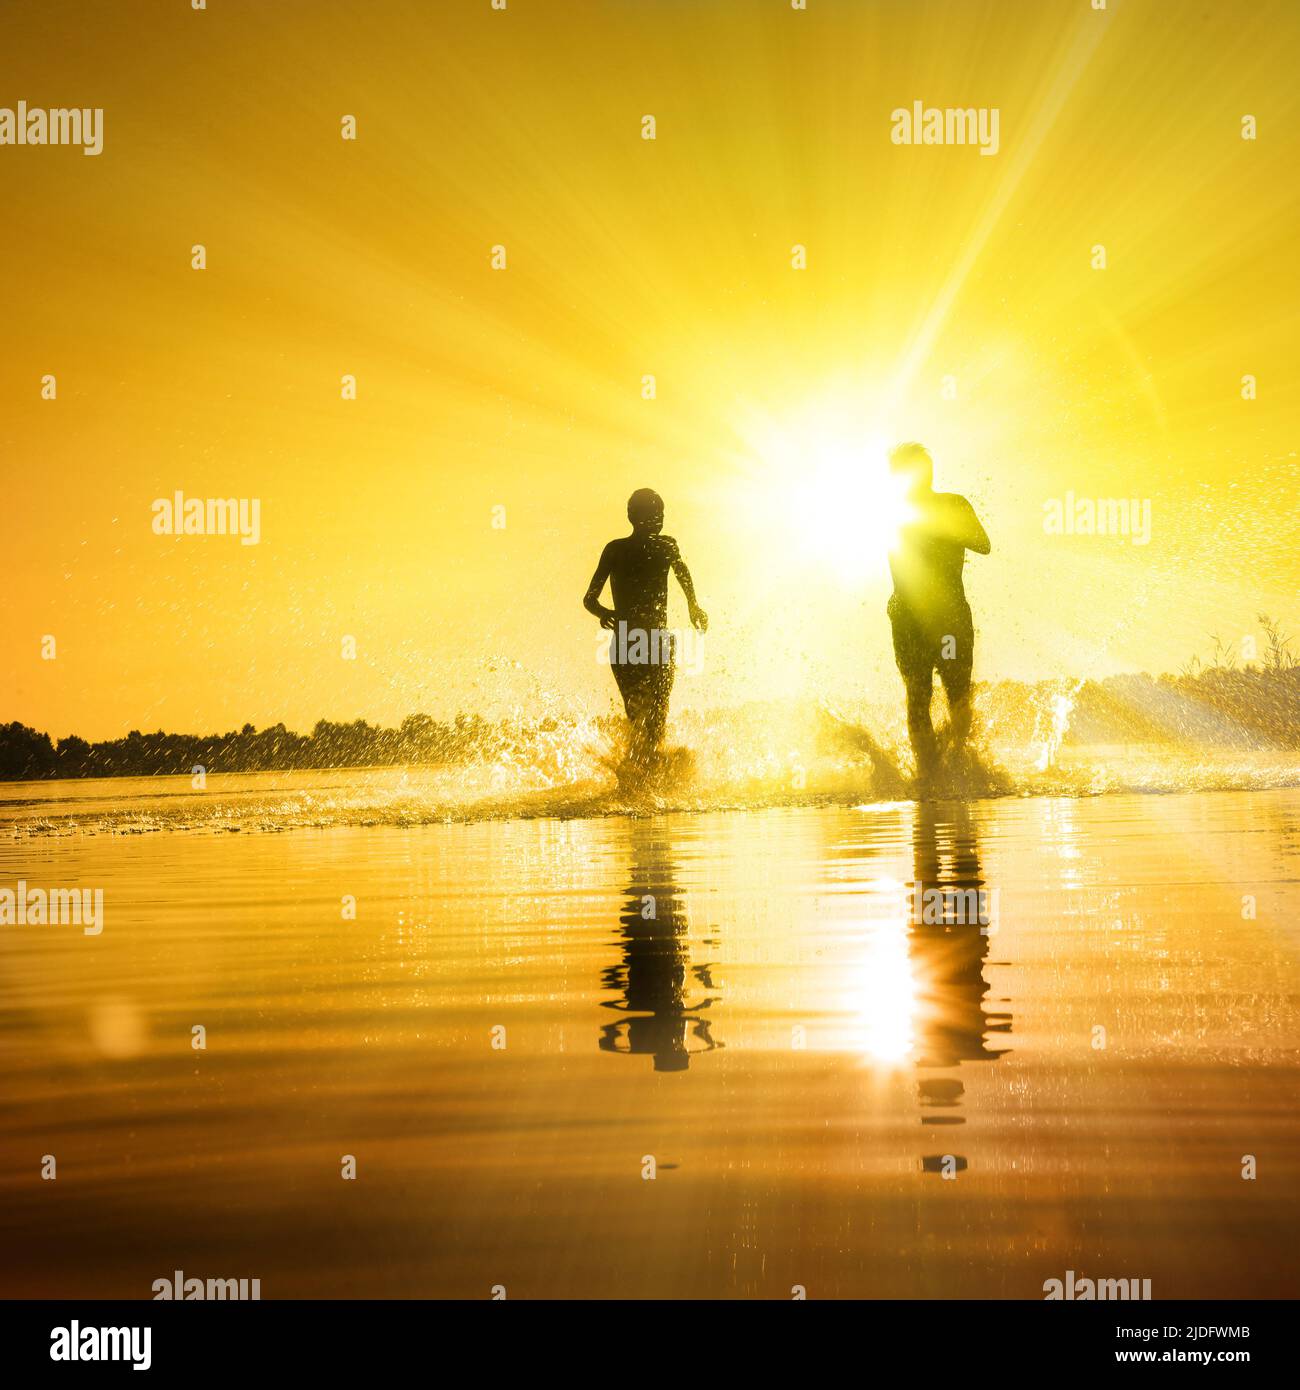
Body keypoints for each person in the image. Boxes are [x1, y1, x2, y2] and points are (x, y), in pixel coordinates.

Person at [583, 488, 708, 770]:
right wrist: (604, 613)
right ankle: (641, 771)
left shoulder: (667, 546)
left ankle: (647, 771)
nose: (657, 520)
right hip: (627, 642)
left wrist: (693, 606)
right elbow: (589, 598)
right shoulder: (615, 550)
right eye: (652, 515)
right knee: (638, 713)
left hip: (658, 641)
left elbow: (682, 573)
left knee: (658, 712)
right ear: (632, 517)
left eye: (660, 515)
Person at [886, 443, 990, 779]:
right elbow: (899, 563)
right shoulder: (893, 512)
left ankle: (958, 769)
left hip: (948, 621)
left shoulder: (951, 504)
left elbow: (983, 544)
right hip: (911, 619)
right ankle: (928, 779)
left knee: (956, 695)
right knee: (918, 697)